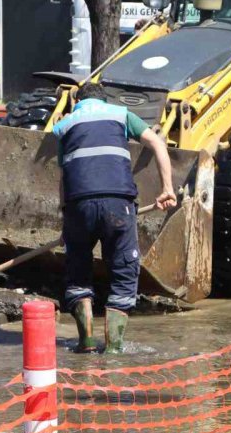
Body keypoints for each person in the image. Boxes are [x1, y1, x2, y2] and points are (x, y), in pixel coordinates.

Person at [51, 83, 177, 355]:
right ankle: (114, 350)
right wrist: (167, 188)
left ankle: (85, 343)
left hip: (77, 206)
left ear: (77, 102)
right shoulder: (120, 114)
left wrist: (66, 222)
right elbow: (156, 141)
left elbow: (63, 177)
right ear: (103, 100)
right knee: (123, 269)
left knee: (78, 273)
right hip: (117, 205)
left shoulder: (65, 125)